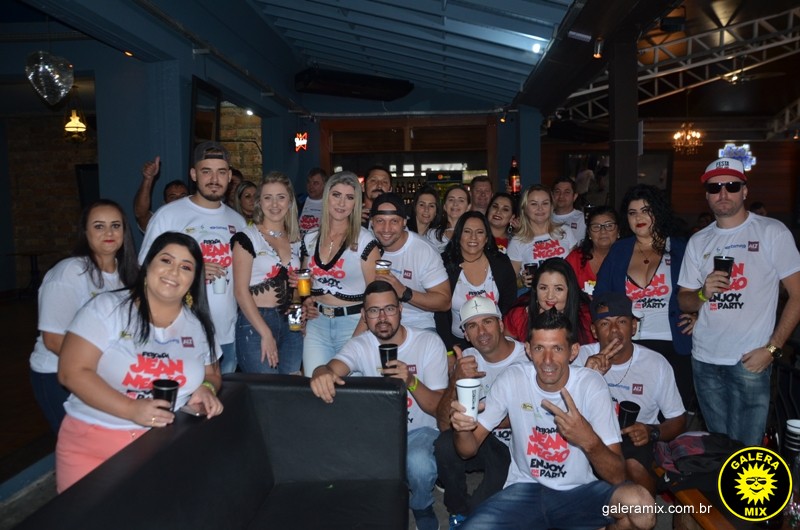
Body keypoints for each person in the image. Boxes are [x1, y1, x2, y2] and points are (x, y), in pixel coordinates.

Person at [449, 309, 655, 530]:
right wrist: (463, 428)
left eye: (557, 348)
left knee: (641, 509)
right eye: (539, 348)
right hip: (524, 489)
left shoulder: (591, 385)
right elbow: (467, 451)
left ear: (573, 351)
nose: (547, 360)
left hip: (578, 491)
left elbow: (618, 476)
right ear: (528, 350)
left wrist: (589, 440)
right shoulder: (513, 378)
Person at [56, 232, 224, 492]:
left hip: (163, 446)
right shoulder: (107, 308)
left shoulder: (198, 326)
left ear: (194, 279)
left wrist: (206, 388)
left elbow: (212, 374)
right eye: (166, 260)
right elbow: (72, 372)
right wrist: (131, 409)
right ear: (147, 265)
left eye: (186, 267)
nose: (174, 272)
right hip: (92, 445)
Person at [678, 157, 800, 446]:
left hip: (750, 361)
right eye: (714, 187)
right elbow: (684, 301)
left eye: (731, 186)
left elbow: (797, 295)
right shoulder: (699, 241)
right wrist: (702, 294)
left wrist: (772, 349)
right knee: (720, 450)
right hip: (705, 360)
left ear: (745, 191)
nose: (723, 193)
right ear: (707, 195)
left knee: (747, 452)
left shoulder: (771, 232)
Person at [310, 281, 448, 530]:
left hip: (421, 430)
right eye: (374, 311)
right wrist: (320, 372)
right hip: (377, 433)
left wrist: (411, 381)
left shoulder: (428, 342)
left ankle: (422, 505)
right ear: (364, 315)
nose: (383, 318)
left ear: (401, 310)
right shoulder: (360, 344)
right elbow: (331, 368)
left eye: (389, 309)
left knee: (419, 464)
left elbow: (439, 408)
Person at [29, 199, 139, 434]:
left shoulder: (129, 275)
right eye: (99, 226)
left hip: (106, 374)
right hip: (58, 373)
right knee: (81, 441)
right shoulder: (70, 271)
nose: (109, 233)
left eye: (115, 226)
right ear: (85, 232)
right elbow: (53, 340)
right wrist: (109, 367)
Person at [139, 141, 246, 374]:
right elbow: (144, 268)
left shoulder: (238, 222)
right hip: (177, 334)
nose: (214, 179)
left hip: (226, 334)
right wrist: (194, 270)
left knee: (222, 393)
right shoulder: (168, 215)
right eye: (206, 171)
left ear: (229, 176)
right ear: (194, 174)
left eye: (221, 172)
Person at [573, 292, 686, 494]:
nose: (614, 330)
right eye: (605, 323)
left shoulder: (655, 364)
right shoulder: (580, 357)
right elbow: (559, 408)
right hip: (590, 433)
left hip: (634, 438)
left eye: (622, 321)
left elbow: (678, 419)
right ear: (594, 331)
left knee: (634, 466)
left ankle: (644, 508)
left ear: (633, 327)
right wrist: (588, 375)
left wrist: (652, 431)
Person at [595, 184, 696, 408]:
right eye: (632, 213)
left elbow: (702, 289)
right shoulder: (619, 250)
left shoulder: (681, 248)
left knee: (672, 413)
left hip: (673, 343)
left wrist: (698, 316)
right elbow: (600, 296)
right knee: (631, 410)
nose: (638, 218)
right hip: (631, 345)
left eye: (646, 211)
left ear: (658, 212)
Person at [434, 297, 527, 527]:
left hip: (521, 445)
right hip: (483, 443)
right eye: (472, 326)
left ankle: (475, 512)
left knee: (483, 509)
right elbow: (443, 424)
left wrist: (487, 419)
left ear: (501, 325)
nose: (482, 331)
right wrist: (455, 379)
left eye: (487, 322)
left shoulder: (527, 357)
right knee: (445, 444)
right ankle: (457, 510)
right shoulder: (467, 360)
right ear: (466, 334)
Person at [301, 171, 381, 376]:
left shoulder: (365, 240)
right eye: (336, 195)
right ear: (326, 196)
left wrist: (357, 338)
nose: (342, 203)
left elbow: (376, 297)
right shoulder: (310, 238)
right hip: (317, 324)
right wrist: (305, 301)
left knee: (351, 391)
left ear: (356, 203)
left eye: (349, 197)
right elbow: (304, 283)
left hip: (354, 323)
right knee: (315, 385)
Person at [231, 172, 302, 375]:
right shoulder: (247, 237)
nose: (275, 204)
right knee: (266, 389)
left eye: (281, 197)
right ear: (259, 202)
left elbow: (299, 290)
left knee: (293, 386)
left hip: (292, 322)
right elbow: (240, 291)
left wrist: (300, 314)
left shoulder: (296, 239)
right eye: (268, 197)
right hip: (256, 321)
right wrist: (265, 333)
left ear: (290, 201)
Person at [369, 192, 450, 331]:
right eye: (380, 221)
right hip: (375, 322)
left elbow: (444, 301)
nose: (386, 229)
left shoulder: (423, 250)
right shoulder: (366, 245)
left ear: (404, 222)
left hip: (416, 323)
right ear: (372, 222)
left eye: (394, 221)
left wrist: (404, 292)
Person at [436, 211, 516, 350]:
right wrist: (449, 351)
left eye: (479, 232)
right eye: (467, 231)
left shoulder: (501, 263)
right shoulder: (444, 264)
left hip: (495, 341)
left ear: (486, 238)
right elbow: (439, 314)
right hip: (457, 343)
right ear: (458, 236)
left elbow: (509, 306)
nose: (473, 237)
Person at [565, 205, 620, 343]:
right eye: (596, 227)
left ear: (618, 231)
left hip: (618, 325)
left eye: (609, 226)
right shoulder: (575, 259)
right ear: (589, 233)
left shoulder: (629, 258)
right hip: (581, 327)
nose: (603, 231)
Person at [503, 257, 588, 344]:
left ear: (571, 290)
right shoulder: (519, 316)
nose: (550, 296)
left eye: (558, 289)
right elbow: (506, 348)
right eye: (543, 288)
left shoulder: (586, 317)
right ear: (535, 289)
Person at [507, 184, 578, 289]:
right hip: (536, 295)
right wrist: (521, 281)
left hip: (567, 292)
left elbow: (578, 269)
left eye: (545, 203)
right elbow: (508, 282)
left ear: (551, 207)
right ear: (525, 208)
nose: (540, 208)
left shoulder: (565, 231)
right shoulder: (517, 241)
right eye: (534, 204)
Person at [133, 154, 188, 231]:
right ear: (165, 203)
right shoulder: (159, 223)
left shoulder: (199, 218)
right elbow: (141, 214)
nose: (179, 200)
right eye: (173, 197)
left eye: (183, 196)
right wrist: (148, 179)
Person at [426, 185, 470, 252]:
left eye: (461, 200)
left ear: (468, 207)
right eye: (451, 200)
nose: (455, 204)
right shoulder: (432, 234)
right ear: (444, 206)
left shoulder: (474, 233)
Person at [552, 176, 586, 244]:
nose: (561, 196)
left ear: (574, 196)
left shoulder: (583, 219)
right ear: (552, 195)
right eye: (557, 192)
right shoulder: (544, 218)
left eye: (567, 192)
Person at [297, 167, 328, 234]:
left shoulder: (331, 205)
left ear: (325, 185)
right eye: (309, 182)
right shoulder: (298, 202)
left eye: (315, 183)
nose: (310, 186)